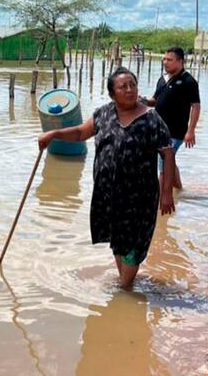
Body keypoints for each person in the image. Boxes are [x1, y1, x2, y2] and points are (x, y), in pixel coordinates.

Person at [38, 68, 175, 290]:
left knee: (133, 244)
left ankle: (123, 289)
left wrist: (167, 191)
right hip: (108, 193)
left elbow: (167, 154)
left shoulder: (151, 118)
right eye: (123, 86)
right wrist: (54, 134)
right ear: (112, 93)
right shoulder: (103, 114)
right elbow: (81, 133)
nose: (130, 90)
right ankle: (126, 285)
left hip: (139, 196)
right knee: (117, 241)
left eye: (132, 85)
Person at [143, 47, 201, 189]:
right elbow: (154, 101)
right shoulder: (162, 79)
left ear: (180, 61)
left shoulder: (188, 81)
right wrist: (141, 101)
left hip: (175, 132)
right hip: (158, 131)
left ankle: (161, 201)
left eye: (169, 60)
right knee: (169, 163)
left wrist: (191, 130)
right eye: (164, 59)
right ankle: (179, 191)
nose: (165, 62)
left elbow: (196, 106)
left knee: (164, 168)